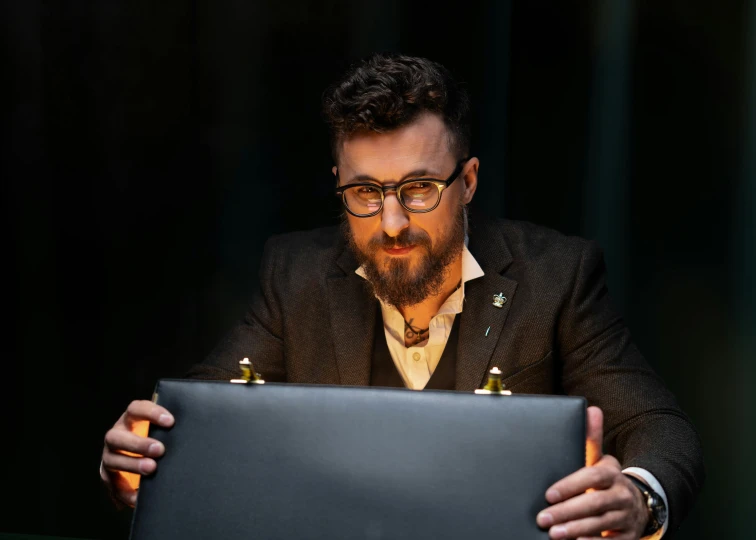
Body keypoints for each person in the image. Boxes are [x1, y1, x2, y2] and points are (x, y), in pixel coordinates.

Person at [100, 53, 704, 539]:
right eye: (364, 192)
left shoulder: (558, 275)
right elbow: (203, 417)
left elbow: (659, 426)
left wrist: (639, 497)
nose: (390, 222)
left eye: (419, 188)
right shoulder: (295, 274)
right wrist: (145, 455)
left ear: (466, 182)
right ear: (339, 185)